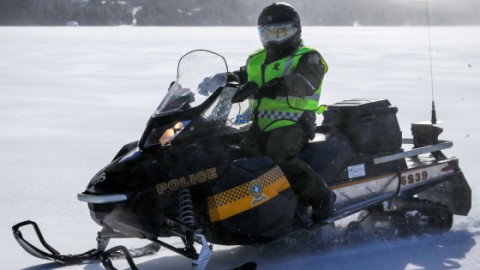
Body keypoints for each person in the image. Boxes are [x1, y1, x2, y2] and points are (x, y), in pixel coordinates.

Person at [232, 2, 336, 224]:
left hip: (294, 122)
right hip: (259, 122)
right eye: (268, 33)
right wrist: (224, 79)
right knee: (231, 153)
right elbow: (244, 76)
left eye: (281, 32)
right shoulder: (256, 58)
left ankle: (322, 197)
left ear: (296, 30)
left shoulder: (308, 57)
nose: (274, 38)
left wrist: (279, 85)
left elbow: (306, 81)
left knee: (280, 155)